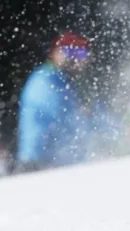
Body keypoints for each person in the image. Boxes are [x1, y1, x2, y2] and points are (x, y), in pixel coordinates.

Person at [15, 32, 100, 172]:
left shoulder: (64, 81)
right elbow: (68, 117)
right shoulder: (44, 79)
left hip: (55, 162)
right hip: (37, 163)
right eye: (70, 52)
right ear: (55, 52)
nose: (76, 59)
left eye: (82, 54)